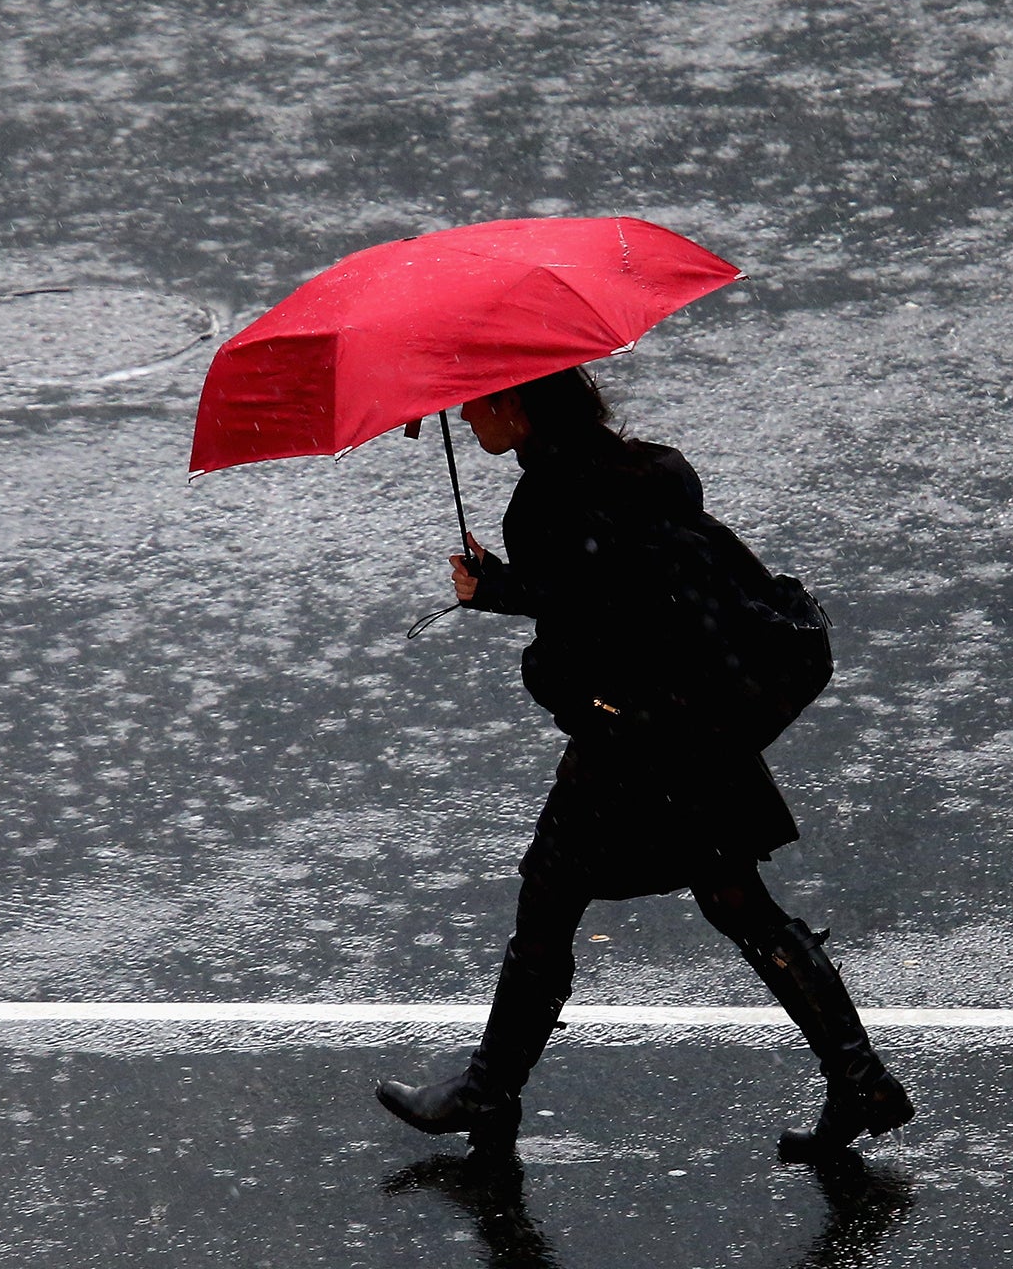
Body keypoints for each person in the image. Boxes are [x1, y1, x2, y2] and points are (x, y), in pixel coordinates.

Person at [375, 366, 914, 1161]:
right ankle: (860, 1078)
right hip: (701, 723)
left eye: (475, 397)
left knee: (550, 898)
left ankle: (490, 1088)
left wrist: (537, 660)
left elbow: (583, 638)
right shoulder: (640, 470)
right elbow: (618, 585)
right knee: (738, 902)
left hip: (637, 744)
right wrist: (505, 590)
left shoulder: (546, 503)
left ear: (513, 402)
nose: (465, 411)